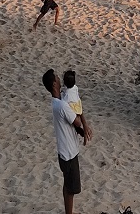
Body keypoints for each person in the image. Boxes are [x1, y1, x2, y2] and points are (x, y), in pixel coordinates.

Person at [42, 68, 91, 214]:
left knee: (67, 184)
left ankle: (68, 211)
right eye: (57, 78)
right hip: (69, 153)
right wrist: (84, 126)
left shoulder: (58, 101)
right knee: (72, 188)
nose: (59, 79)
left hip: (63, 151)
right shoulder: (63, 105)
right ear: (54, 85)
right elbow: (76, 122)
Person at [62, 70, 87, 145]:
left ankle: (82, 133)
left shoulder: (67, 94)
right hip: (77, 105)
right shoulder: (75, 88)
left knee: (76, 125)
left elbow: (64, 101)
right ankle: (84, 136)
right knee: (78, 122)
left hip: (72, 107)